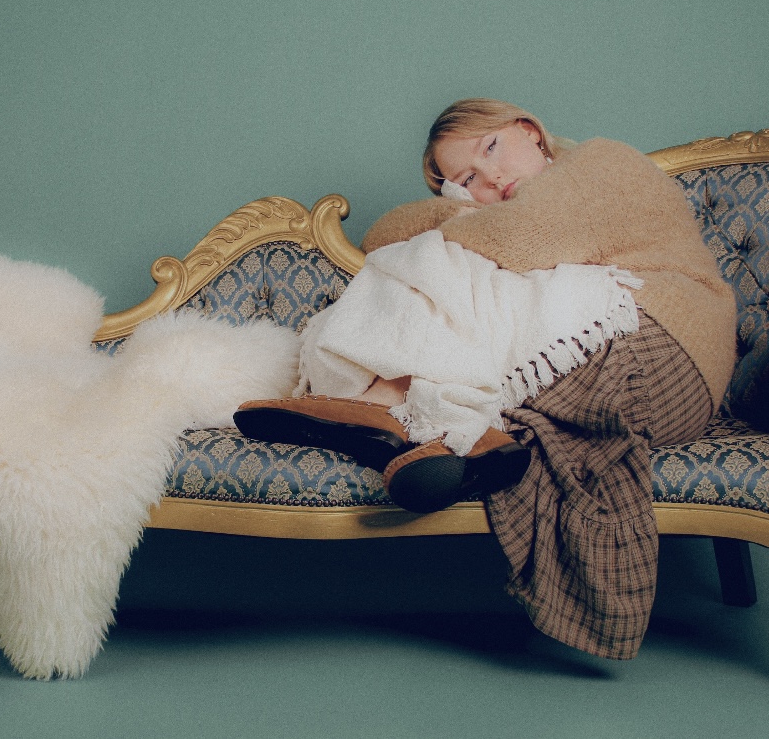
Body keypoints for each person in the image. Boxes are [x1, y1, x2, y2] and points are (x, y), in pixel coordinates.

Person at [234, 98, 738, 661]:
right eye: (468, 178)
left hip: (663, 349)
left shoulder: (601, 163)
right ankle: (457, 436)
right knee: (450, 276)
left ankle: (390, 405)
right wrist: (459, 209)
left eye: (492, 148)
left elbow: (520, 238)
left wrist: (454, 219)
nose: (491, 177)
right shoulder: (495, 210)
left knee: (444, 264)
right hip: (582, 370)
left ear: (529, 130)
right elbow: (381, 237)